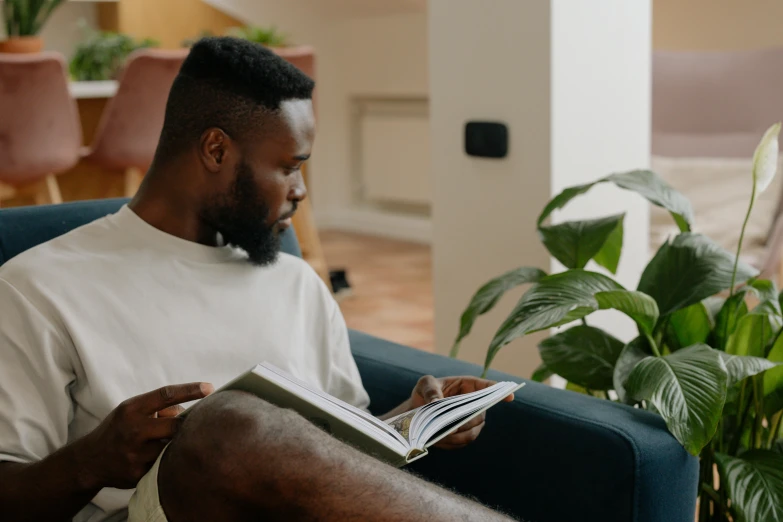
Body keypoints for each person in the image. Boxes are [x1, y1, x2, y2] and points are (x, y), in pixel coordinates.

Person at [0, 37, 515, 522]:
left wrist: (413, 418)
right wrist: (90, 462)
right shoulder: (38, 287)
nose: (301, 191)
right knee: (229, 424)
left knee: (239, 425)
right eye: (290, 167)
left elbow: (327, 460)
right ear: (217, 151)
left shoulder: (296, 284)